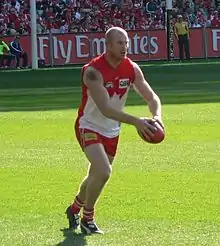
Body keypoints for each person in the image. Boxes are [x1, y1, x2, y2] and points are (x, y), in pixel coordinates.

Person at [66, 27, 164, 235]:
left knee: (96, 175)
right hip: (89, 126)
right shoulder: (92, 71)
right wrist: (137, 121)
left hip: (112, 130)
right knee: (103, 171)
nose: (125, 47)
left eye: (126, 42)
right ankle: (87, 218)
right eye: (120, 43)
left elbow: (151, 97)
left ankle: (74, 208)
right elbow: (105, 109)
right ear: (108, 45)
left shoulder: (132, 68)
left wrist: (157, 117)